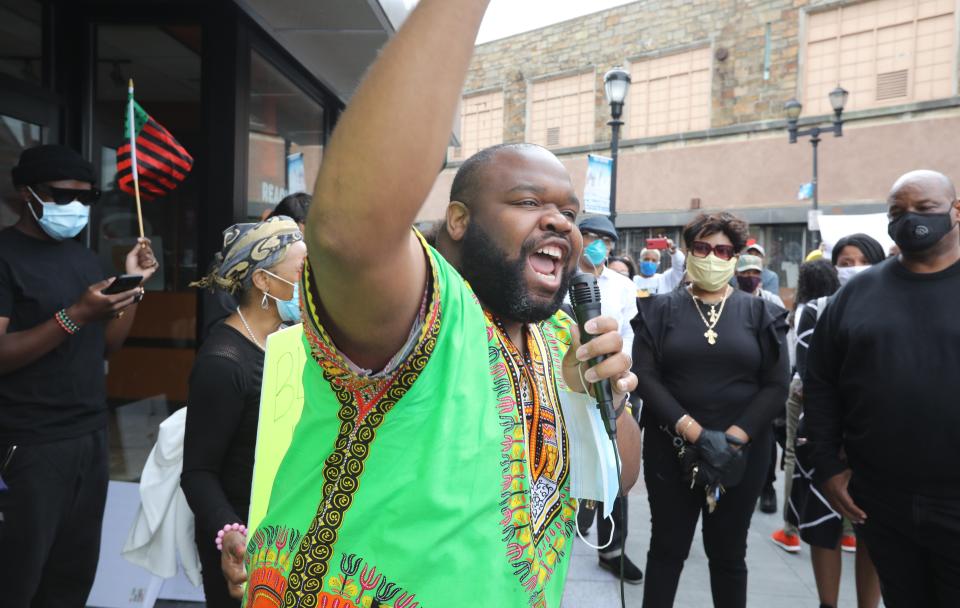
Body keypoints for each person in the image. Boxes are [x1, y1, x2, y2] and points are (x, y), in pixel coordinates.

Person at [226, 1, 641, 605]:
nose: (559, 221)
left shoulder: (560, 341)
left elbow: (616, 480)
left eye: (570, 213)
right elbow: (349, 233)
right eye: (528, 202)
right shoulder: (425, 309)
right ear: (458, 220)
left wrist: (600, 396)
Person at [0, 144, 158, 606]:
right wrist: (74, 315)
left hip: (87, 439)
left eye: (85, 199)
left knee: (70, 577)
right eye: (60, 196)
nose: (74, 207)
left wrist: (132, 289)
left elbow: (107, 343)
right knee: (17, 578)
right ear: (25, 193)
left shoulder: (83, 258)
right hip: (25, 445)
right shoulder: (6, 256)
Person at [805, 170, 960, 608]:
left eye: (925, 209)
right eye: (898, 212)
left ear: (956, 210)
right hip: (883, 500)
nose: (911, 220)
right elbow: (820, 382)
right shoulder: (856, 295)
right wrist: (828, 466)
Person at [633, 212, 790, 608]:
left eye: (723, 250)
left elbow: (776, 385)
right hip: (672, 449)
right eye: (702, 248)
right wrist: (696, 433)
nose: (712, 257)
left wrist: (733, 439)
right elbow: (646, 379)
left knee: (729, 554)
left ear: (735, 257)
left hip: (743, 452)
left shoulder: (762, 314)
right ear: (688, 253)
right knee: (667, 549)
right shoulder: (658, 311)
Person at [181, 216, 305, 607]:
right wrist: (230, 532)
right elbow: (198, 473)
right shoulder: (224, 362)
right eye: (303, 272)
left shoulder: (288, 342)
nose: (312, 284)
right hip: (245, 551)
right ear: (264, 282)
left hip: (288, 537)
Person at [783, 242, 884, 608]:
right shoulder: (816, 309)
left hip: (878, 441)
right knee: (821, 527)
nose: (854, 268)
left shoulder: (893, 305)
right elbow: (812, 378)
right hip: (824, 438)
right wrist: (834, 440)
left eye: (863, 262)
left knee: (870, 530)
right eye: (845, 262)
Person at [572, 215, 643, 584]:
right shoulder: (563, 276)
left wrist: (623, 375)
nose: (597, 244)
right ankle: (574, 520)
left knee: (616, 466)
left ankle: (612, 550)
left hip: (613, 386)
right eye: (590, 236)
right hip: (569, 384)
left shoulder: (622, 285)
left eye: (605, 239)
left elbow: (628, 334)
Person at [770, 259, 841, 554]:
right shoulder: (842, 307)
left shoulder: (804, 312)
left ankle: (791, 529)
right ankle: (847, 533)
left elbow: (796, 356)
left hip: (803, 390)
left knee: (793, 454)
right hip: (839, 395)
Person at [202, 193, 312, 342]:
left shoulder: (279, 339)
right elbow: (220, 329)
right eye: (300, 268)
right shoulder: (233, 267)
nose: (306, 279)